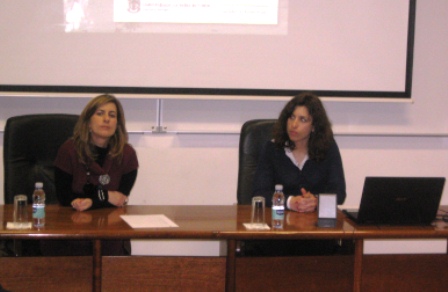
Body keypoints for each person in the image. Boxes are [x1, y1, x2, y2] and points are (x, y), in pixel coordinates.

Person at [247, 92, 347, 256]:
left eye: (302, 120)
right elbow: (259, 193)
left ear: (314, 126)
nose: (294, 125)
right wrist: (290, 201)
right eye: (291, 117)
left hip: (316, 233)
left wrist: (315, 201)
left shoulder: (327, 148)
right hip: (277, 232)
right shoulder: (272, 149)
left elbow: (339, 193)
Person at [42, 94, 139, 256]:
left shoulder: (127, 154)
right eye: (100, 113)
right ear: (87, 122)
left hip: (109, 232)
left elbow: (120, 199)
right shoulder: (69, 150)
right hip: (71, 230)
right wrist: (106, 197)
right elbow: (65, 196)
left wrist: (91, 200)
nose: (106, 119)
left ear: (118, 124)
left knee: (113, 264)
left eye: (112, 115)